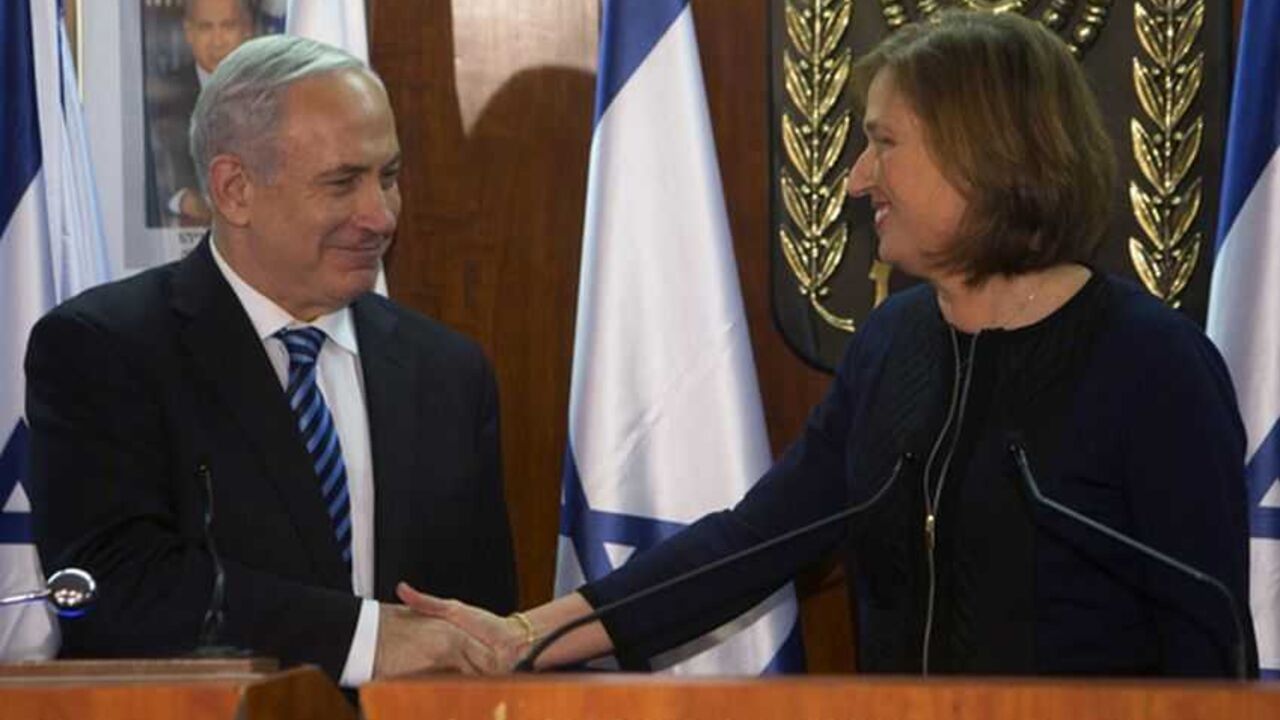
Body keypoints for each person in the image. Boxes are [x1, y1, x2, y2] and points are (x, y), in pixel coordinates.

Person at [397, 10, 1258, 677]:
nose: (854, 177)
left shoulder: (1152, 364)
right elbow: (751, 544)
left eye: (883, 142)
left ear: (985, 152)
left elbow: (1207, 643)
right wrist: (523, 635)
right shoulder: (892, 344)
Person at [27, 35, 516, 682]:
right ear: (234, 189)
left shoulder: (449, 372)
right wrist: (367, 640)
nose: (381, 215)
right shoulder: (105, 349)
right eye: (344, 182)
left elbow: (480, 617)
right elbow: (114, 589)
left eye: (389, 177)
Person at [146, 0, 255, 227]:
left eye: (228, 26)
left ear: (246, 30)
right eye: (206, 27)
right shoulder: (160, 94)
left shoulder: (269, 93)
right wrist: (182, 199)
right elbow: (153, 177)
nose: (217, 41)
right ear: (189, 32)